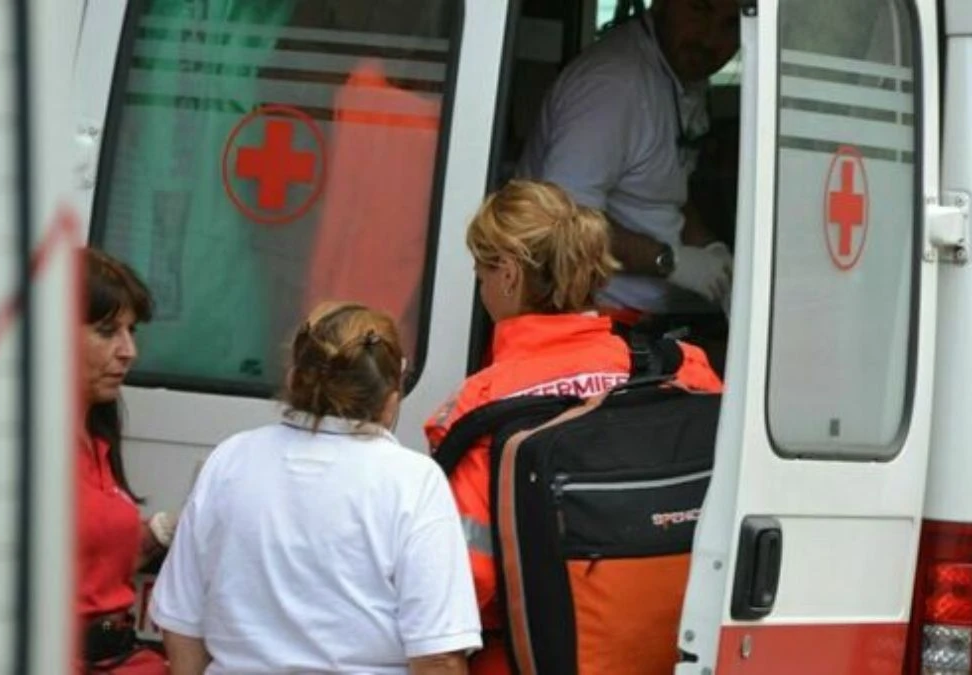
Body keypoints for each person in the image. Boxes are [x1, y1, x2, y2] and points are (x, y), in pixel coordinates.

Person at [424, 180, 723, 675]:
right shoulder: (684, 368)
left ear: (509, 275)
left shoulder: (480, 406)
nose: (482, 290)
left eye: (481, 274)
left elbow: (463, 588)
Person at [150, 302, 481, 675]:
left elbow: (181, 623)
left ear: (294, 379)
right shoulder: (414, 481)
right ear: (391, 398)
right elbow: (438, 657)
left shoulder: (230, 459)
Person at [516, 0, 740, 338]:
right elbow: (563, 219)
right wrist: (668, 261)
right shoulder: (614, 85)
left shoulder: (681, 76)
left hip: (654, 317)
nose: (710, 39)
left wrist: (711, 251)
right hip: (590, 322)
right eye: (700, 10)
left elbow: (667, 188)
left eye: (730, 25)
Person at [77, 248, 174, 674]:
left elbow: (93, 556)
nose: (128, 351)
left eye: (131, 331)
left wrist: (165, 530)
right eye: (106, 331)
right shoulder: (13, 452)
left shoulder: (97, 441)